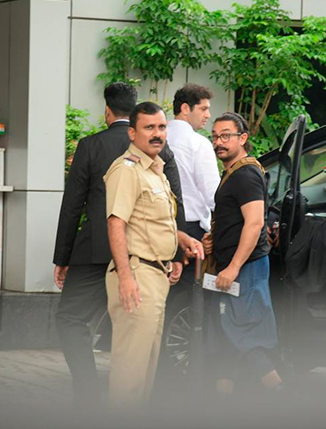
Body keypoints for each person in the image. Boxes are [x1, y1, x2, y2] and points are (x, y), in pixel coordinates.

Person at [53, 83, 187, 405]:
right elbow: (175, 204)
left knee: (70, 319)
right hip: (140, 258)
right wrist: (178, 252)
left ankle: (88, 392)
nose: (156, 132)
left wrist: (63, 256)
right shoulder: (160, 149)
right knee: (140, 337)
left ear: (107, 111)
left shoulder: (90, 145)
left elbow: (73, 205)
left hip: (97, 253)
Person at [104, 101, 203, 408]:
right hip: (137, 274)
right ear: (132, 133)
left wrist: (180, 240)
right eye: (149, 128)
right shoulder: (127, 170)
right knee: (129, 373)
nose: (157, 134)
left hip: (156, 276)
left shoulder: (156, 168)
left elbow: (153, 222)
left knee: (145, 371)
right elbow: (116, 223)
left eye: (161, 127)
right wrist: (126, 276)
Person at [201, 112, 282, 396]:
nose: (219, 142)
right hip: (234, 267)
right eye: (215, 136)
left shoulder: (246, 174)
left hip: (245, 269)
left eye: (226, 136)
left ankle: (286, 400)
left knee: (247, 338)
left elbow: (255, 222)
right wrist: (216, 239)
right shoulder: (234, 172)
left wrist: (233, 266)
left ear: (243, 138)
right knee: (225, 339)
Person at [166, 84, 220, 281]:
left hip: (158, 226)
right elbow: (213, 194)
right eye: (203, 109)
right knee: (186, 297)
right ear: (185, 108)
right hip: (191, 230)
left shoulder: (157, 138)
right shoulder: (198, 143)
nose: (208, 115)